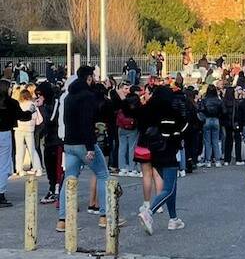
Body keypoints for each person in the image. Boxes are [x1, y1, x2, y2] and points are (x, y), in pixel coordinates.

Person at [57, 66, 125, 231]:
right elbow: (87, 123)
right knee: (103, 174)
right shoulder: (86, 97)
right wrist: (90, 147)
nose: (94, 80)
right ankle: (105, 215)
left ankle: (62, 220)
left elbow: (67, 121)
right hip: (84, 143)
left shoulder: (68, 97)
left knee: (70, 178)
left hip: (69, 143)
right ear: (88, 78)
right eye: (92, 77)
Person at [137, 85, 188, 234]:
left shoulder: (148, 110)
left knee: (170, 186)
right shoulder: (172, 111)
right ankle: (149, 212)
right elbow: (183, 128)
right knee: (169, 188)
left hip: (155, 152)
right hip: (170, 151)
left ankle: (173, 218)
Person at [0, 79, 33, 207]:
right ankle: (1, 193)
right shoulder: (11, 103)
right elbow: (23, 116)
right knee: (3, 164)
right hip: (5, 133)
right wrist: (31, 111)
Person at [14, 90, 43, 176]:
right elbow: (36, 118)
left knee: (19, 150)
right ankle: (38, 168)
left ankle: (19, 169)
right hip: (29, 129)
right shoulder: (32, 104)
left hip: (18, 128)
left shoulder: (18, 104)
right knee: (32, 149)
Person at [198, 85, 223, 167]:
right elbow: (223, 111)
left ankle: (208, 161)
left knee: (207, 141)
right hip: (216, 120)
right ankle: (217, 160)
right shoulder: (218, 100)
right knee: (215, 141)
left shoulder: (204, 100)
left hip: (207, 120)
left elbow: (201, 109)